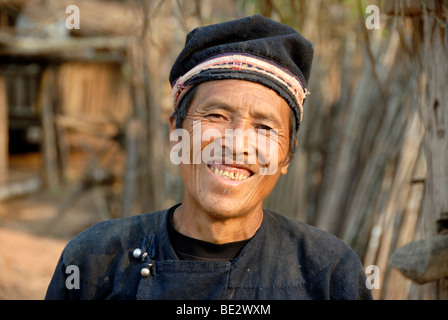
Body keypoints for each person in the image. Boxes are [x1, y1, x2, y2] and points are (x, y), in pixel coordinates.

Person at [45, 15, 372, 300]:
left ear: (287, 156)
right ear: (176, 132)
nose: (236, 143)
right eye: (215, 115)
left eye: (263, 126)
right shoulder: (94, 259)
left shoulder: (328, 272)